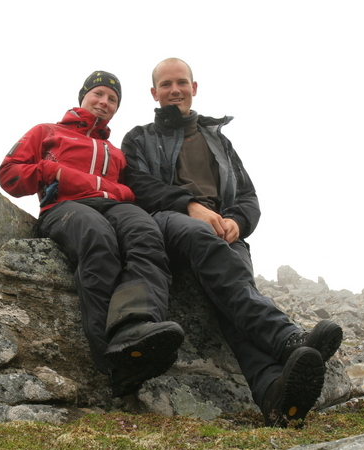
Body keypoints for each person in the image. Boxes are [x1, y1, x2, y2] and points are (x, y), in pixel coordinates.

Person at [121, 58, 343, 427]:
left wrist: (237, 222)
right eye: (165, 84)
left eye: (181, 82)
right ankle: (286, 337)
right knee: (201, 238)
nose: (174, 90)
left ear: (195, 87)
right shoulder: (140, 137)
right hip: (170, 222)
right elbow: (138, 185)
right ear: (154, 93)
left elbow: (248, 197)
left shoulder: (218, 141)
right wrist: (190, 206)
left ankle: (274, 393)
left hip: (222, 233)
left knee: (231, 292)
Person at [0, 71, 184, 397]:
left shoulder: (115, 150)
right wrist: (47, 170)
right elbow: (10, 174)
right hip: (65, 207)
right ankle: (112, 358)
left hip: (116, 205)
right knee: (98, 238)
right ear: (83, 96)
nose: (104, 102)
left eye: (112, 99)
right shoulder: (46, 131)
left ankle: (138, 329)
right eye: (98, 94)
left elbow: (137, 189)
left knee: (146, 234)